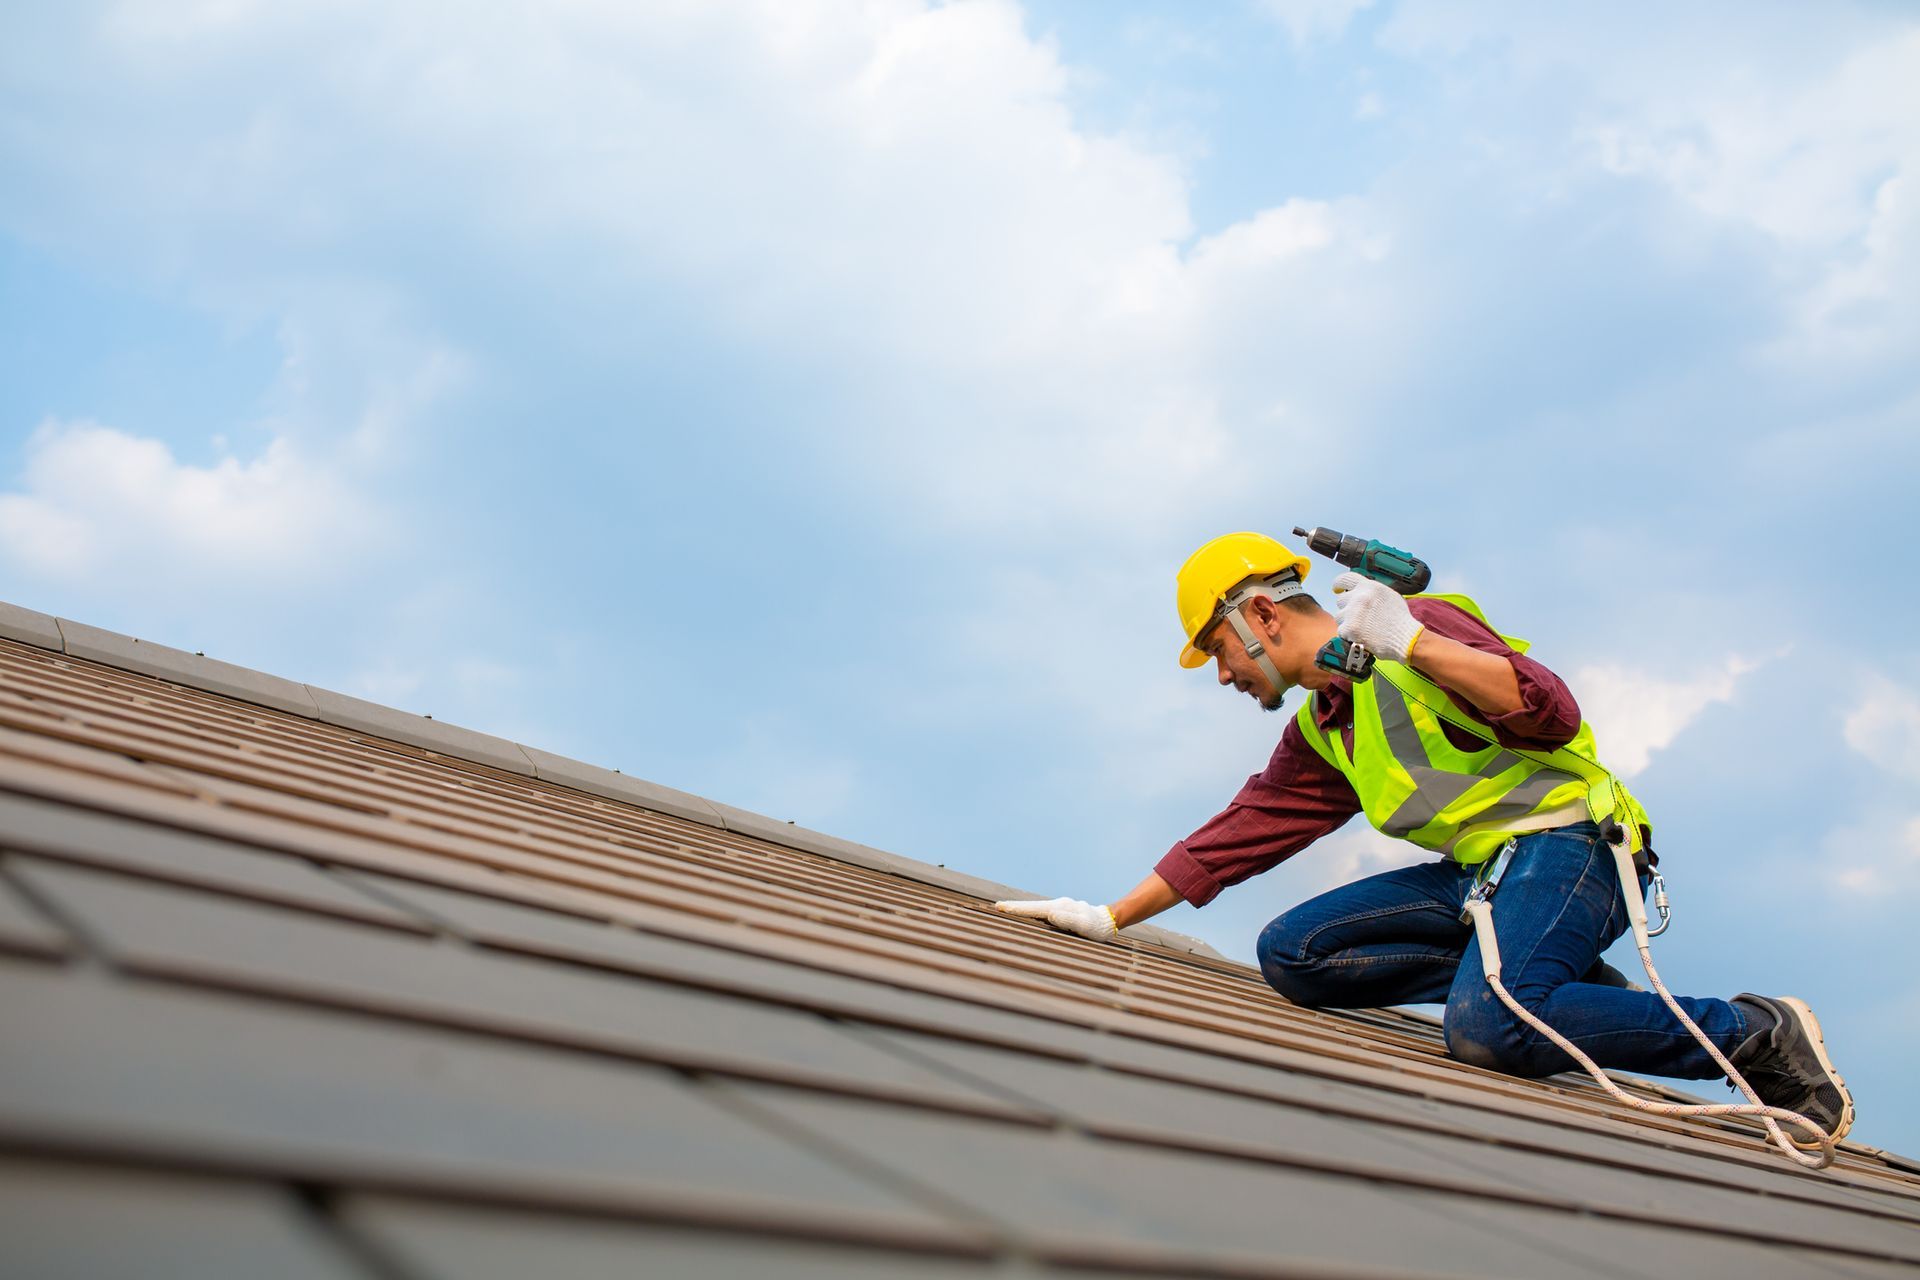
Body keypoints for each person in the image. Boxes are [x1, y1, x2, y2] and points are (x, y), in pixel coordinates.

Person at [994, 531, 1853, 1141]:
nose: (1220, 673)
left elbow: (1548, 709)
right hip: (1487, 876)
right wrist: (1111, 916)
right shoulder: (1327, 727)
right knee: (1296, 953)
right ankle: (1559, 988)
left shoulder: (1420, 626)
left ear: (1260, 615)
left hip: (1572, 845)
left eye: (1219, 648)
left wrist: (1409, 639)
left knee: (1485, 1030)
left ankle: (1750, 1032)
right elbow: (1239, 834)